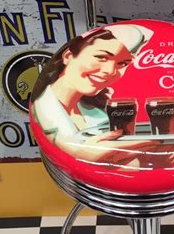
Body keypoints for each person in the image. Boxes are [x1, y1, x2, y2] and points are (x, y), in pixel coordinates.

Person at [32, 24, 163, 168]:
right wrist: (80, 155)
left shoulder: (98, 112)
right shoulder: (41, 109)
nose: (110, 71)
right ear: (68, 56)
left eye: (122, 63)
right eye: (101, 57)